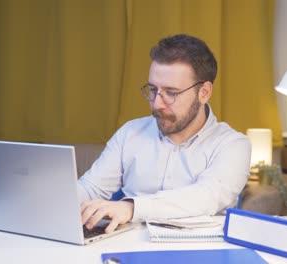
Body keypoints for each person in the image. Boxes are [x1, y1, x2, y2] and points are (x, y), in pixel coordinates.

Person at [78, 34, 251, 234]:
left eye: (171, 93)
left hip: (199, 252)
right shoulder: (130, 133)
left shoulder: (233, 145)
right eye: (153, 89)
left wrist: (132, 208)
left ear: (204, 92)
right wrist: (52, 201)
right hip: (126, 247)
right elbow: (91, 187)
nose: (157, 104)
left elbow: (206, 196)